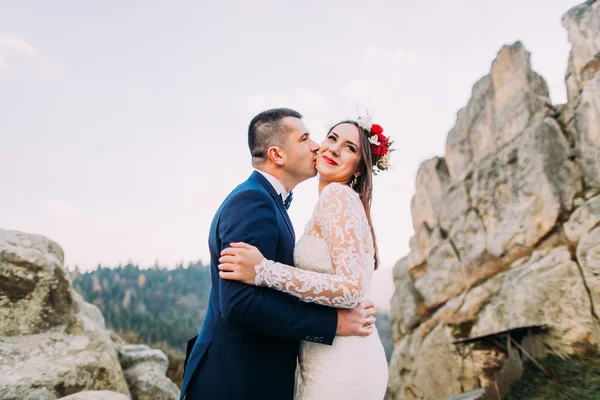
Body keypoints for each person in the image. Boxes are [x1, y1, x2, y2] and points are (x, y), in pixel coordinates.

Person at [180, 108, 378, 400]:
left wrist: (265, 270)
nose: (318, 146)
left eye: (347, 147)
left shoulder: (277, 203)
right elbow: (239, 302)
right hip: (236, 381)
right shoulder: (252, 201)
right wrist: (332, 323)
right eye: (305, 138)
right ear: (278, 155)